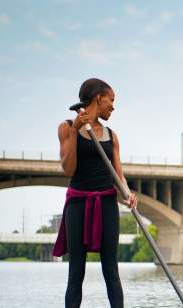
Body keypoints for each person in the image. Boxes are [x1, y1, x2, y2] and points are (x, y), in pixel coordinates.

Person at [53, 78, 138, 308]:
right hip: (78, 203)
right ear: (99, 97)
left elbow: (118, 175)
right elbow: (68, 169)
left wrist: (128, 194)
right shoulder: (67, 127)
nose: (113, 106)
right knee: (76, 272)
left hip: (107, 203)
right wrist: (74, 131)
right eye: (112, 100)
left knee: (111, 270)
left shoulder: (112, 135)